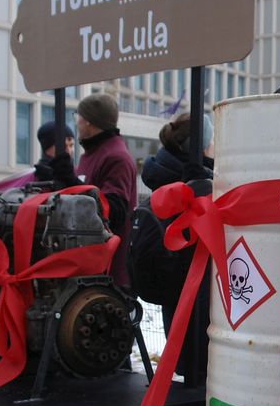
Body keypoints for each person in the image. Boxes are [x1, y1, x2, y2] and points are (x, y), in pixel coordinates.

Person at [134, 111, 215, 386]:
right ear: (202, 146)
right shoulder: (196, 185)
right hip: (197, 291)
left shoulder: (161, 175)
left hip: (171, 289)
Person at [74, 92, 136, 287]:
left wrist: (71, 184)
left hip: (109, 273)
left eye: (79, 117)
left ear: (90, 123)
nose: (76, 123)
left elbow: (114, 211)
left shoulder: (116, 157)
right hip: (91, 266)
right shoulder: (93, 153)